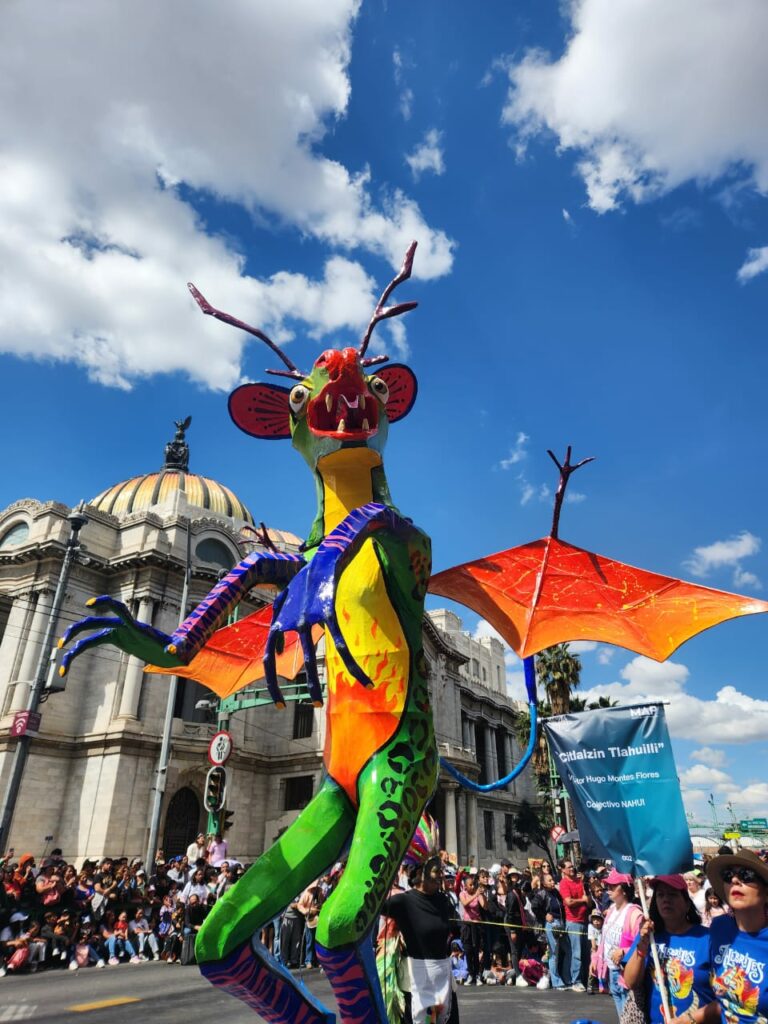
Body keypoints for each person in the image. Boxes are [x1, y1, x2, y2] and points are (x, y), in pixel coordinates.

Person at [623, 874, 713, 1024]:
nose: (665, 899)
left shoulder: (708, 938)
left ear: (687, 903)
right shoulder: (649, 936)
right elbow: (630, 982)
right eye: (660, 895)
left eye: (672, 894)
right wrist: (642, 946)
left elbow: (724, 999)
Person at [381, 855, 459, 1024]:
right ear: (420, 873)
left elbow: (455, 928)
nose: (441, 875)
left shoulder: (443, 900)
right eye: (436, 871)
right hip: (416, 983)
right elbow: (373, 905)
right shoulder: (403, 901)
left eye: (442, 871)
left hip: (443, 979)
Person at [697, 848, 768, 1024]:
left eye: (747, 875)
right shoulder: (719, 927)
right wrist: (687, 1018)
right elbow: (727, 1002)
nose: (735, 880)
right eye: (728, 875)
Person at [599, 869, 643, 1016]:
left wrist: (624, 951)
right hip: (612, 969)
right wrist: (597, 958)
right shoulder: (611, 910)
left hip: (625, 971)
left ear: (624, 890)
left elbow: (642, 942)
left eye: (613, 885)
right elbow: (604, 938)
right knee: (621, 1012)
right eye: (608, 885)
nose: (609, 888)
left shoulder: (635, 913)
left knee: (629, 1015)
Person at [532, 871, 566, 989]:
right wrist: (544, 915)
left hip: (560, 923)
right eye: (550, 880)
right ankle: (556, 981)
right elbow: (534, 907)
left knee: (560, 951)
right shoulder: (541, 893)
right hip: (551, 924)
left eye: (553, 880)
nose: (553, 882)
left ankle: (557, 977)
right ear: (544, 883)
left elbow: (562, 907)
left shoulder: (556, 892)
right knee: (553, 952)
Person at [559, 858, 589, 991]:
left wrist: (586, 900)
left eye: (572, 866)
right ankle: (575, 981)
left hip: (584, 920)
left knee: (585, 953)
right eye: (569, 867)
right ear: (563, 870)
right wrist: (582, 900)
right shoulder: (564, 883)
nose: (572, 869)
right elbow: (568, 902)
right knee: (576, 953)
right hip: (573, 922)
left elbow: (587, 900)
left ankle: (584, 979)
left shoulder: (579, 881)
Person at [459, 872, 485, 985]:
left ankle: (478, 974)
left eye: (473, 884)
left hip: (476, 925)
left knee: (476, 951)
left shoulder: (477, 893)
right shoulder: (462, 894)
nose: (473, 886)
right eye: (470, 885)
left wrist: (482, 895)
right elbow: (465, 903)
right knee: (468, 951)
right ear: (465, 886)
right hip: (467, 926)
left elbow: (484, 906)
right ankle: (471, 974)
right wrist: (475, 895)